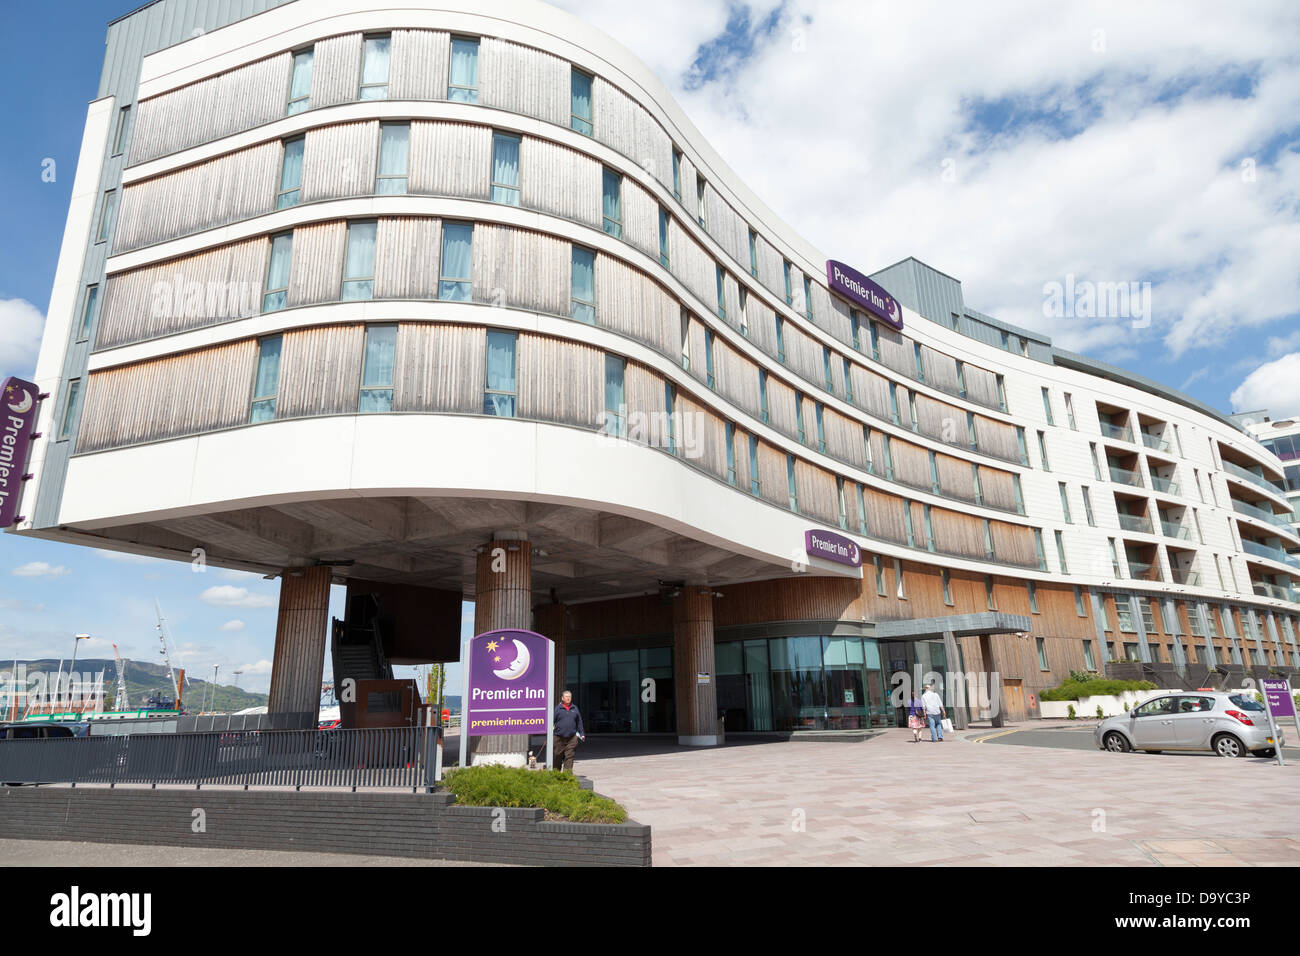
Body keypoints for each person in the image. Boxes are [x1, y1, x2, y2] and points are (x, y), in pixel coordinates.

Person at [553, 689, 585, 772]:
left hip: (572, 737)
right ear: (562, 698)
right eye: (566, 696)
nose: (568, 698)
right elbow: (552, 721)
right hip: (559, 737)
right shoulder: (558, 709)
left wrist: (582, 733)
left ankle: (567, 775)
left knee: (570, 756)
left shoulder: (575, 708)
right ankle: (556, 773)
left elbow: (579, 721)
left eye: (569, 697)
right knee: (557, 756)